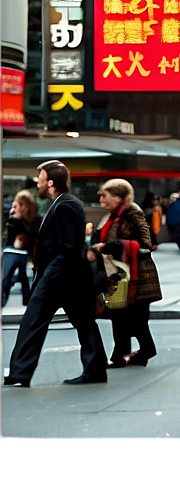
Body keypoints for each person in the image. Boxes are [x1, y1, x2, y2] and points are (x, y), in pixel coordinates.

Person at [3, 160, 108, 387]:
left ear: (50, 183)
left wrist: (47, 278)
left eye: (40, 180)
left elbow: (68, 248)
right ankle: (95, 369)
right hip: (68, 278)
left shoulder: (65, 205)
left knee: (33, 322)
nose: (37, 184)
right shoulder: (61, 204)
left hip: (60, 278)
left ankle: (20, 373)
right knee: (84, 322)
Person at [87, 179, 162, 367]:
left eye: (106, 195)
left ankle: (136, 351)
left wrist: (110, 246)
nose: (101, 199)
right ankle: (128, 352)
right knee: (120, 314)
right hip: (121, 275)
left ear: (119, 197)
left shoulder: (133, 214)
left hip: (137, 276)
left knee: (135, 316)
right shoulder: (112, 216)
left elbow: (145, 244)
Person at [2, 190, 40, 308]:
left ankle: (25, 300)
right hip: (16, 252)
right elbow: (9, 238)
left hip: (22, 253)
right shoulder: (14, 219)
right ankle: (24, 300)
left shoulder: (32, 220)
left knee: (12, 278)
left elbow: (31, 236)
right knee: (13, 278)